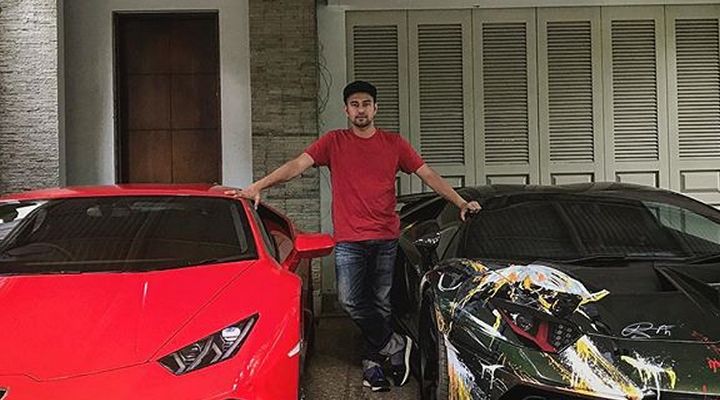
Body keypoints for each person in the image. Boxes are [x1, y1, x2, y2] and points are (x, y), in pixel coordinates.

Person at [228, 80, 481, 392]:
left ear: (375, 109)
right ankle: (395, 344)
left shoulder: (394, 143)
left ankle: (373, 364)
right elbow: (296, 166)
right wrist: (258, 186)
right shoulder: (333, 142)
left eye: (366, 104)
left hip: (385, 236)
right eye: (355, 105)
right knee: (349, 300)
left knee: (380, 303)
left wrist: (460, 202)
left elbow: (427, 174)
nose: (361, 110)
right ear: (346, 110)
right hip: (350, 239)